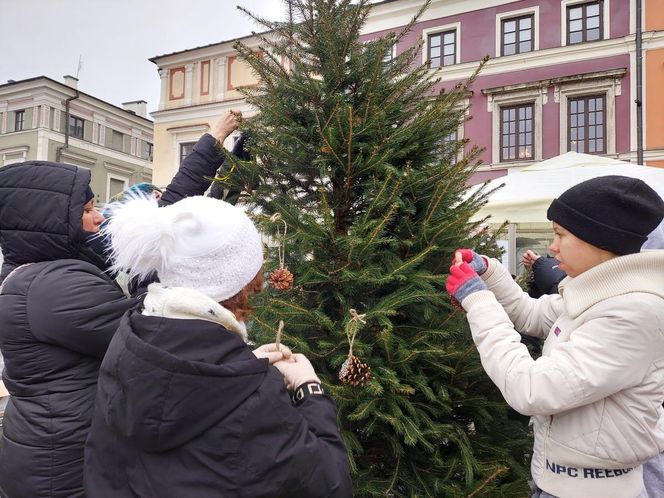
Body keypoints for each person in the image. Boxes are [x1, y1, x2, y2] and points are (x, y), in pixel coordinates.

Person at [0, 110, 242, 498]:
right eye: (86, 210)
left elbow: (154, 224)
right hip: (61, 471)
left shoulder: (59, 260)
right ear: (46, 219)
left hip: (68, 452)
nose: (98, 218)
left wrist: (215, 148)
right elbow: (148, 328)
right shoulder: (49, 287)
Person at [84, 195, 352, 497]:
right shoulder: (254, 397)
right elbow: (329, 481)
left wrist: (238, 363)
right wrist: (308, 388)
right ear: (239, 280)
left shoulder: (129, 338)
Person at [445, 176, 664, 498]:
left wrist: (477, 301)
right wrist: (489, 272)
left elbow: (531, 389)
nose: (552, 246)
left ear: (600, 239)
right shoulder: (599, 293)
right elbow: (531, 314)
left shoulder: (632, 313)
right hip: (556, 483)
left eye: (561, 234)